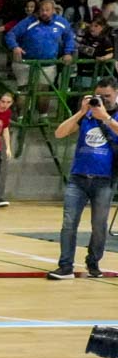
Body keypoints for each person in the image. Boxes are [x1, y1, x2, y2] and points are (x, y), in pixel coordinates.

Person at [47, 77, 118, 280]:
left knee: (99, 225)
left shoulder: (112, 116)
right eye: (99, 96)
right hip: (78, 177)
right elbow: (60, 133)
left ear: (115, 94)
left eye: (107, 96)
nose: (103, 100)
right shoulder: (86, 115)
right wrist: (80, 111)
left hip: (104, 179)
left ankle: (93, 262)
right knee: (69, 223)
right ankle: (65, 265)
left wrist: (105, 117)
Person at [6, 0, 77, 116]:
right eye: (42, 10)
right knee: (23, 90)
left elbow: (69, 36)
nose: (44, 13)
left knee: (43, 91)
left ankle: (43, 117)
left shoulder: (61, 22)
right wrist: (15, 47)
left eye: (47, 10)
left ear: (53, 10)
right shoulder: (28, 21)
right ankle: (20, 117)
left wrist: (68, 52)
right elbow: (11, 34)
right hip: (25, 62)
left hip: (48, 64)